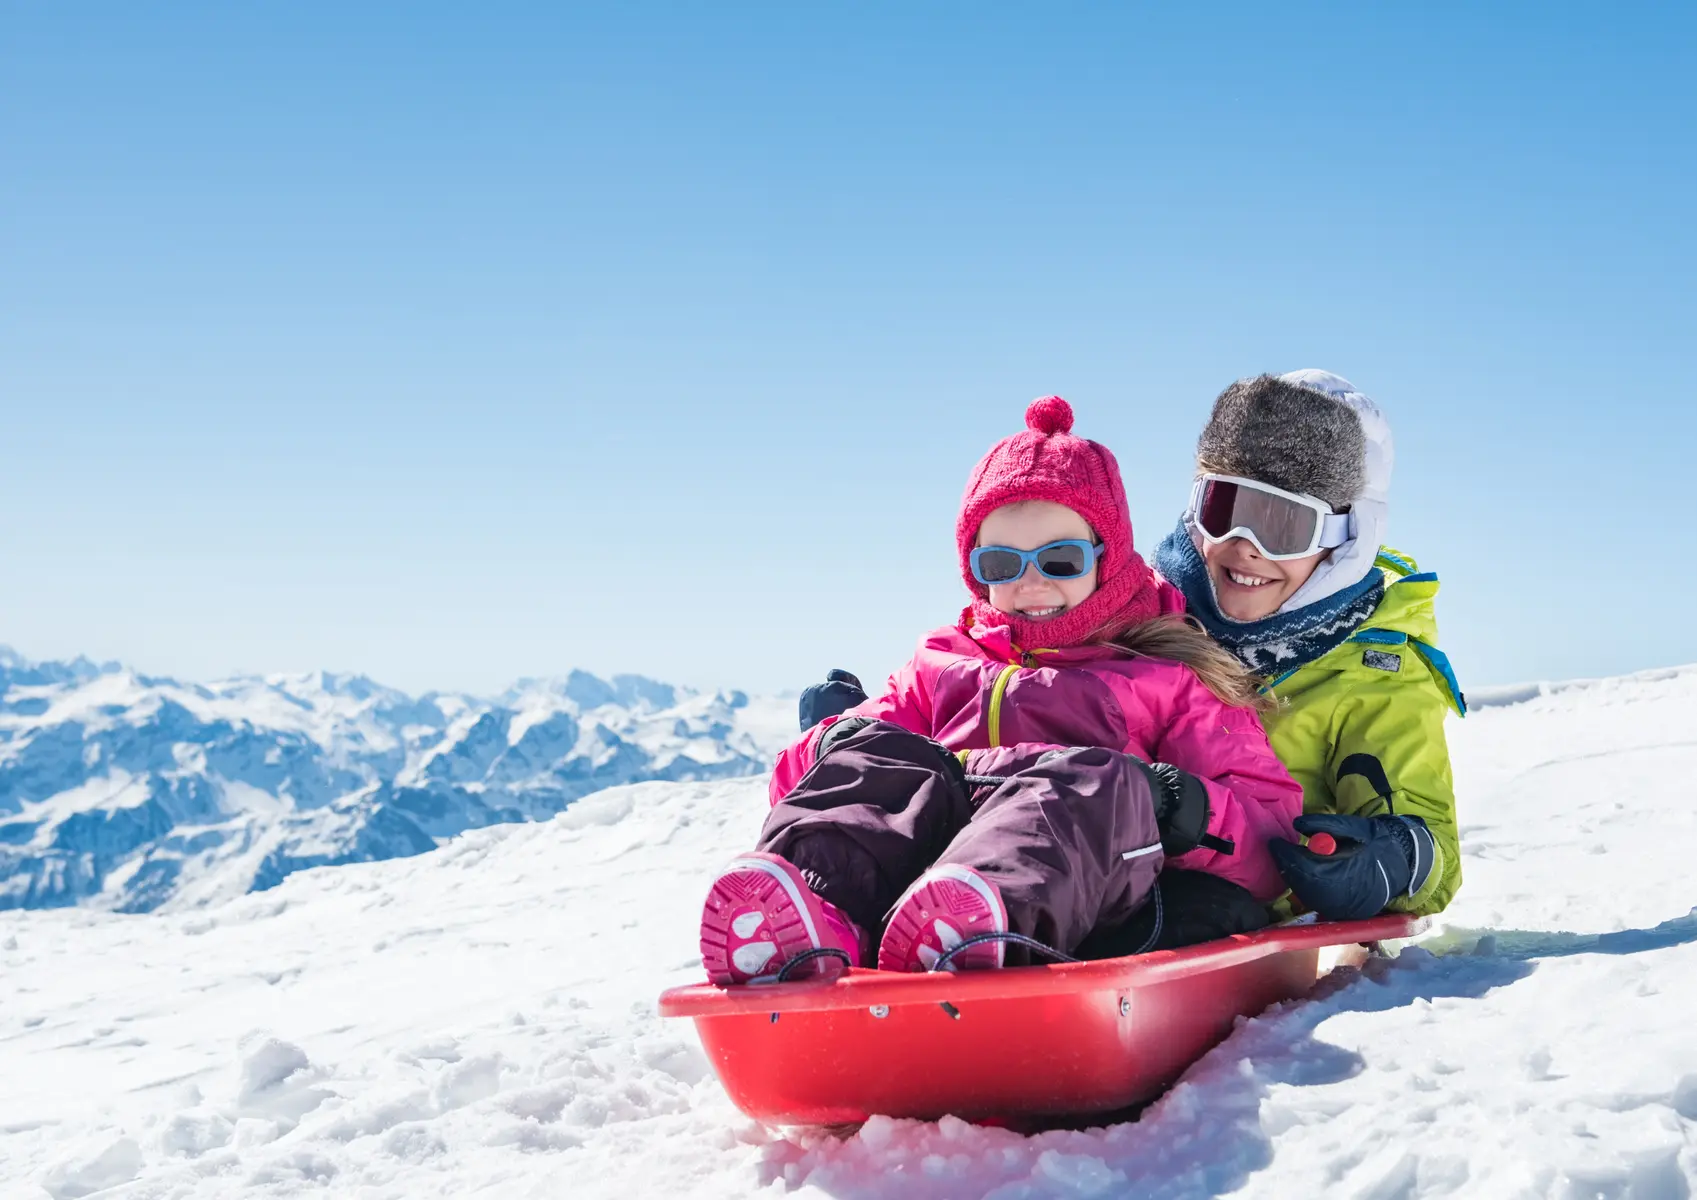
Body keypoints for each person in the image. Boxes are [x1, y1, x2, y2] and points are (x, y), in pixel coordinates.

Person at [699, 397, 1302, 985]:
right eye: (1001, 565)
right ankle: (812, 917)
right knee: (881, 754)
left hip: (1083, 894)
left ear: (1107, 557)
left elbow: (1267, 835)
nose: (1031, 583)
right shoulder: (940, 663)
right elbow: (823, 785)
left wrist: (1176, 806)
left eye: (1060, 560)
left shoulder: (1167, 676)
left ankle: (973, 929)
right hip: (918, 875)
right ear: (974, 570)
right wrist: (832, 739)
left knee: (1095, 782)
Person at [1152, 370, 1464, 921]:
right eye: (1224, 509)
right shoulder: (1144, 620)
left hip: (1231, 907)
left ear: (1345, 539)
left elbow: (1429, 837)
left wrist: (1390, 856)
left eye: (1282, 525)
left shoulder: (1373, 671)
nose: (1244, 547)